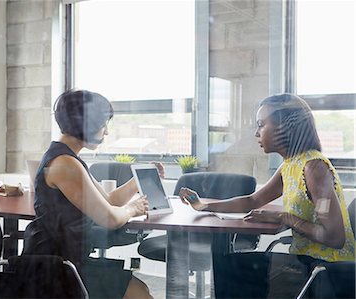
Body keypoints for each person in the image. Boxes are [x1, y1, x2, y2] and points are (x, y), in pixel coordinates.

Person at [180, 93, 355, 298]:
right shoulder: (290, 166)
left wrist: (284, 218)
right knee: (227, 264)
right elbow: (253, 200)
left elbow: (334, 238)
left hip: (328, 272)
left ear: (285, 127)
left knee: (230, 268)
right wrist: (203, 205)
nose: (257, 133)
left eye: (262, 124)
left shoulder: (314, 168)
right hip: (305, 262)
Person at [23, 89, 155, 299]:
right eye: (103, 124)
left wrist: (139, 182)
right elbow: (109, 218)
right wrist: (133, 208)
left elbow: (109, 200)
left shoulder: (68, 158)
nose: (106, 132)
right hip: (55, 267)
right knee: (140, 295)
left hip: (67, 259)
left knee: (141, 290)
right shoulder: (65, 164)